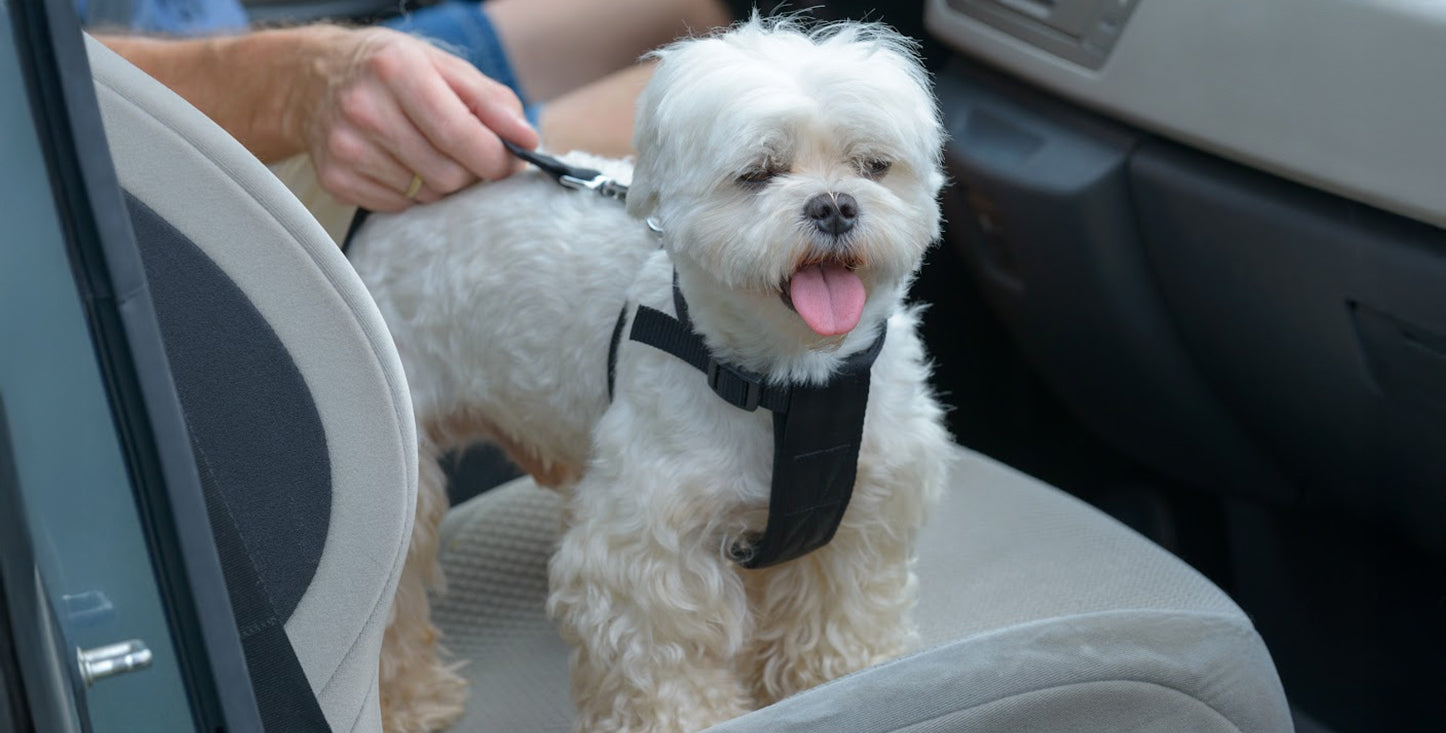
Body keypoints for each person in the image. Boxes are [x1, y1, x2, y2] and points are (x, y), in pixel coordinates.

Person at [91, 0, 732, 217]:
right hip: (171, 157)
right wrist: (287, 89)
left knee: (710, 13)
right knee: (722, 113)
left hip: (192, 41)